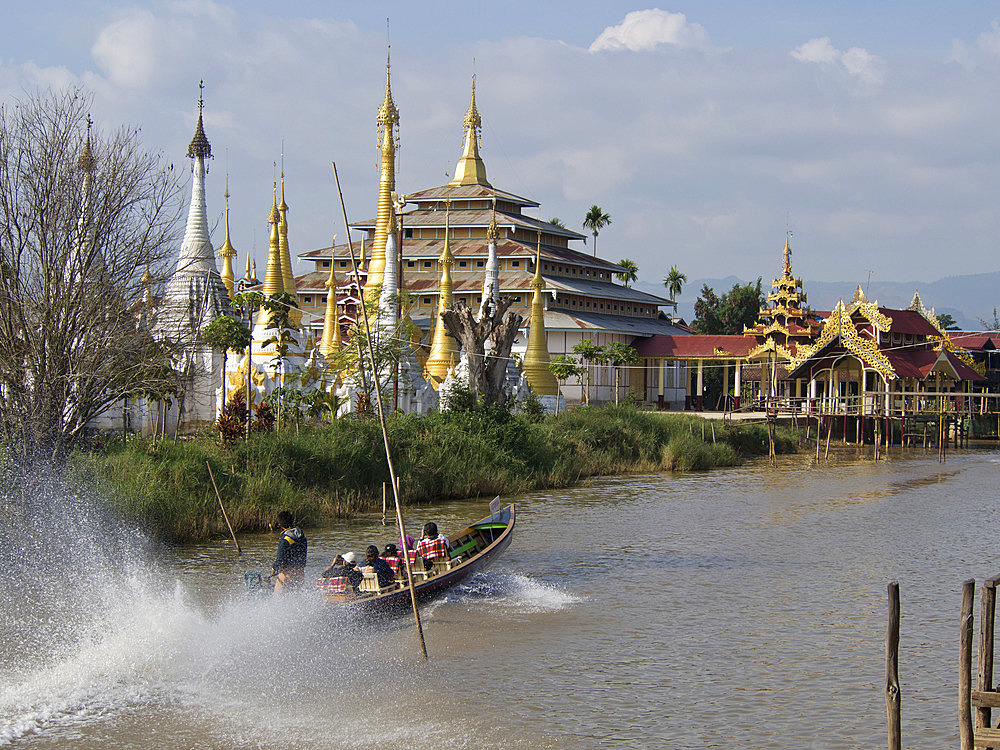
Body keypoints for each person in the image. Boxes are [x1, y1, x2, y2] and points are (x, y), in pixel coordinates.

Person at [272, 510, 307, 596]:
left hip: (287, 575)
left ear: (279, 525)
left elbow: (280, 560)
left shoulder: (284, 540)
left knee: (277, 599)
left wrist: (274, 568)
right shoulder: (301, 536)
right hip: (300, 573)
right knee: (297, 599)